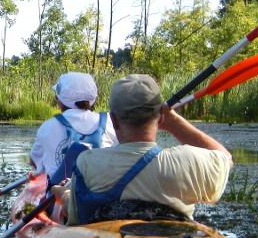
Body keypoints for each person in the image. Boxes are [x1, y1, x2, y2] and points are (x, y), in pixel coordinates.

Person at [58, 74, 233, 225]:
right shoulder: (188, 161)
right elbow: (225, 158)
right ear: (160, 117)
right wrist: (174, 123)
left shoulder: (88, 162)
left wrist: (64, 196)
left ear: (114, 120)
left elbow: (76, 213)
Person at [29, 72, 118, 187]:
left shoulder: (47, 127)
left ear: (60, 100)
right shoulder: (111, 121)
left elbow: (33, 162)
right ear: (94, 98)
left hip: (58, 199)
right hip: (101, 196)